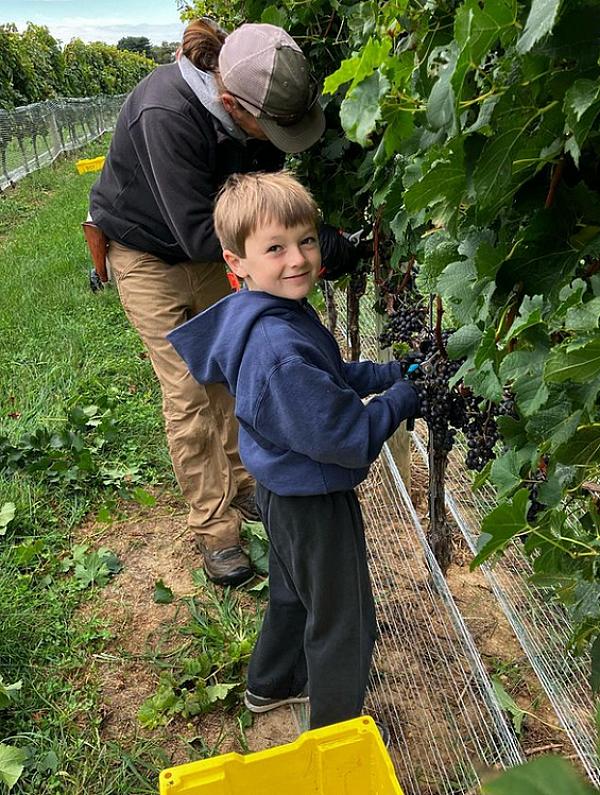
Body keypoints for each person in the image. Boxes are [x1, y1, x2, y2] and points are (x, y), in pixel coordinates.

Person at [88, 19, 360, 587]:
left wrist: (308, 238)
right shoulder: (167, 116)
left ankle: (242, 485)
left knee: (230, 370)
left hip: (214, 253)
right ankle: (215, 530)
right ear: (231, 102)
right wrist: (295, 249)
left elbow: (255, 206)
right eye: (269, 127)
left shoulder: (244, 115)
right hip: (148, 257)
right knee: (187, 391)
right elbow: (195, 232)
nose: (273, 140)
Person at [166, 171, 420, 730]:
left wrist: (385, 373)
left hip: (281, 492)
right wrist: (401, 399)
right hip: (313, 500)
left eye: (305, 240)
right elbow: (347, 436)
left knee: (293, 593)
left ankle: (271, 685)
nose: (298, 258)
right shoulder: (277, 347)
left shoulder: (271, 311)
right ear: (237, 263)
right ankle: (334, 735)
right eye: (275, 248)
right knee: (343, 620)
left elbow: (325, 375)